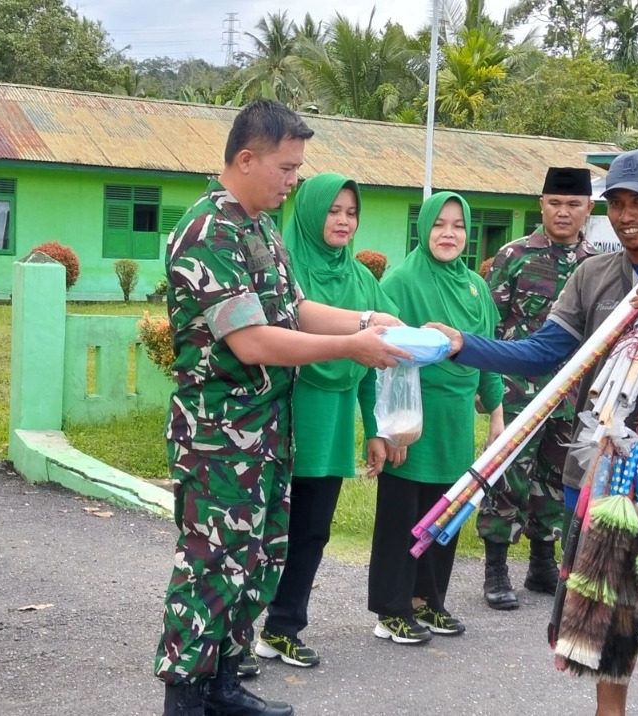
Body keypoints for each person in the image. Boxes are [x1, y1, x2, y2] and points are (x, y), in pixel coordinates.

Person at [429, 149, 638, 716]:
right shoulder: (593, 274)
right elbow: (545, 353)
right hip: (593, 468)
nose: (625, 215)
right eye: (615, 203)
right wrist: (462, 345)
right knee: (604, 624)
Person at [155, 100, 409, 716]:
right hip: (218, 436)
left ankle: (223, 684)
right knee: (211, 564)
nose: (294, 179)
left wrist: (369, 318)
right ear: (246, 159)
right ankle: (186, 695)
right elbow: (253, 340)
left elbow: (293, 310)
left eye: (298, 168)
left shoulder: (261, 227)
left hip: (266, 431)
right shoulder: (208, 232)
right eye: (286, 167)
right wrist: (351, 345)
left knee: (259, 555)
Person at [243, 173, 403, 674]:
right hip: (285, 416)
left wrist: (375, 428)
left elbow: (372, 365)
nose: (343, 221)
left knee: (312, 532)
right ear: (312, 212)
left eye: (351, 213)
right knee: (259, 531)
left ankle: (283, 629)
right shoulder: (283, 267)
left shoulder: (362, 281)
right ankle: (230, 640)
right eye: (333, 211)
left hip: (331, 424)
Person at [365, 191, 505, 645]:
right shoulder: (403, 281)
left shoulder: (475, 287)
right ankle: (392, 608)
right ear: (424, 228)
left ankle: (429, 601)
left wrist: (497, 418)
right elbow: (384, 358)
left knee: (444, 515)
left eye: (458, 225)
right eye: (440, 224)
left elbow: (486, 353)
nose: (449, 233)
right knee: (402, 515)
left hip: (457, 420)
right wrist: (391, 428)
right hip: (413, 415)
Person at [478, 167, 599, 610]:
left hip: (575, 394)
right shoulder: (514, 255)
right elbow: (490, 325)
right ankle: (495, 569)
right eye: (554, 203)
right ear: (541, 205)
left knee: (557, 475)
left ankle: (542, 564)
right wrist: (485, 386)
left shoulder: (598, 264)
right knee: (508, 474)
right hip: (518, 390)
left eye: (573, 205)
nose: (563, 212)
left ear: (588, 209)